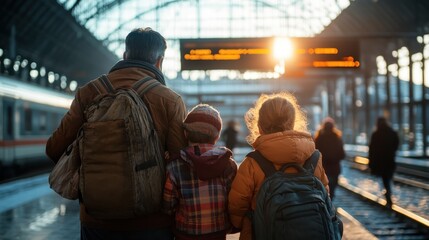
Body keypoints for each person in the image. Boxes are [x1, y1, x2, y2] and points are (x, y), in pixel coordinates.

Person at [46, 27, 188, 240]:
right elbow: (179, 164)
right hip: (151, 222)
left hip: (97, 221)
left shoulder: (89, 92)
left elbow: (54, 149)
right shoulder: (170, 100)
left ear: (124, 56)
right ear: (159, 61)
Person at [228, 92, 330, 240]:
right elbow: (325, 195)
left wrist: (244, 224)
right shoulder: (314, 157)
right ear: (293, 121)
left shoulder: (253, 162)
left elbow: (237, 204)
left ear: (260, 125)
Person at [163, 104, 238, 240]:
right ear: (217, 136)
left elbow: (168, 206)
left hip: (185, 234)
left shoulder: (175, 165)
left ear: (185, 133)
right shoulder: (228, 164)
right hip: (218, 233)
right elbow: (233, 202)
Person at [368, 117, 399, 207]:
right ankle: (388, 193)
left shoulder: (376, 134)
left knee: (384, 179)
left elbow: (372, 149)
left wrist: (371, 162)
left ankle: (387, 194)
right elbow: (396, 144)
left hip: (380, 162)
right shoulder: (392, 132)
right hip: (390, 160)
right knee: (388, 178)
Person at [314, 117, 346, 200]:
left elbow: (315, 153)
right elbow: (342, 154)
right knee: (332, 187)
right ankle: (330, 201)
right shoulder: (337, 138)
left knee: (323, 187)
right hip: (334, 168)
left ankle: (325, 202)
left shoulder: (319, 138)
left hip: (323, 168)